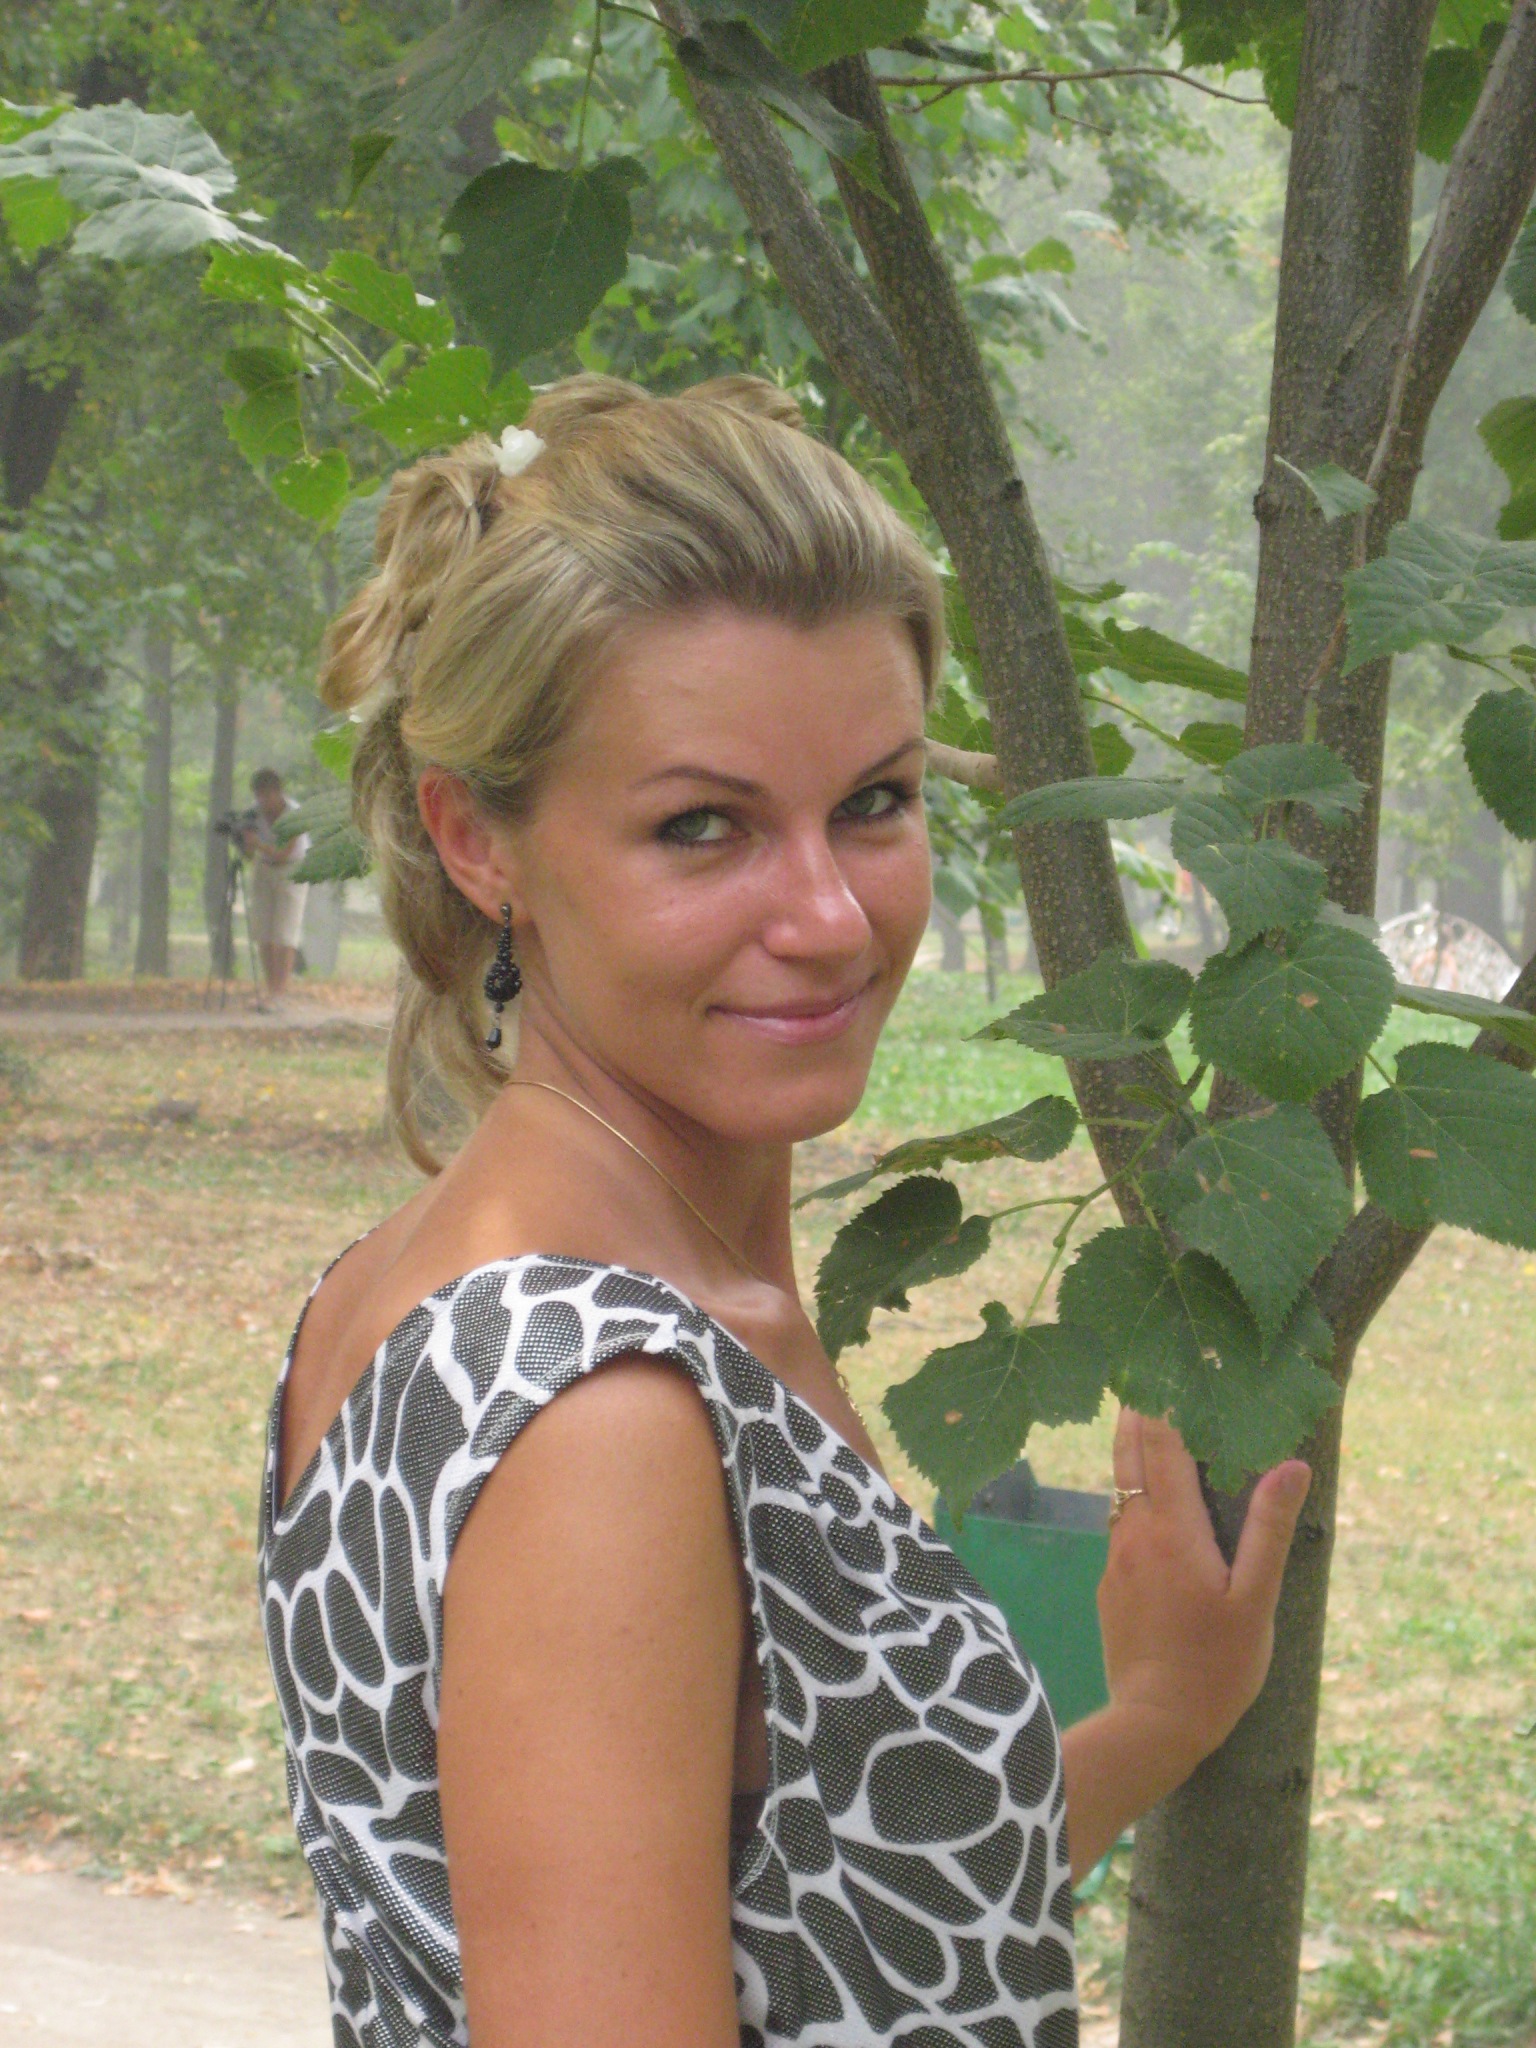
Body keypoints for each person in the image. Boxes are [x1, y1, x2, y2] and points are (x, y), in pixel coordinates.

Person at [258, 375, 1312, 2048]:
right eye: (703, 827)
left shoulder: (447, 1286)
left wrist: (1156, 1720)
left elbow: (816, 1931)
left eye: (876, 802)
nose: (828, 916)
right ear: (477, 840)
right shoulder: (600, 1409)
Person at [242, 766, 309, 1009]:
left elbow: (284, 853)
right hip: (264, 869)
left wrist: (258, 844)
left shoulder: (294, 815)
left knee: (284, 934)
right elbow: (248, 855)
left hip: (291, 870)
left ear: (278, 792)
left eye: (267, 795)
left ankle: (280, 992)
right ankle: (270, 989)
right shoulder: (253, 814)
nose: (263, 801)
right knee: (264, 933)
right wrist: (244, 840)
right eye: (259, 795)